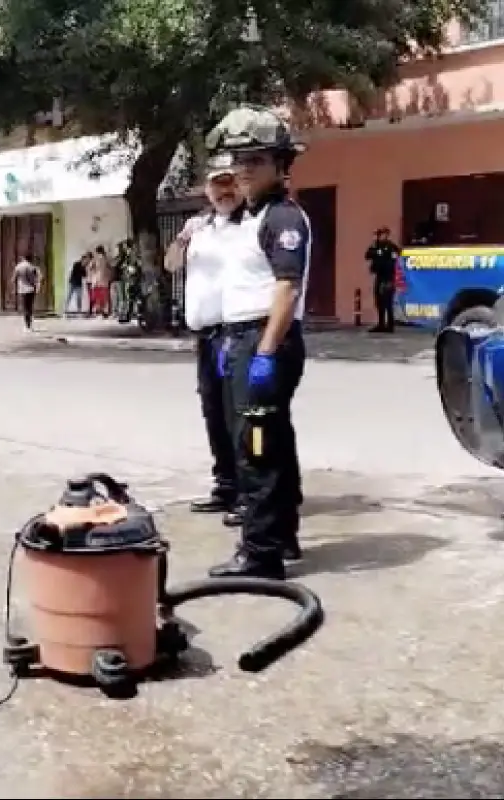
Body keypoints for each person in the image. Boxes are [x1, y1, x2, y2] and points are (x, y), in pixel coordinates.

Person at [204, 105, 309, 580]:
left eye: (256, 160)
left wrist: (264, 353)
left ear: (281, 165)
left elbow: (287, 289)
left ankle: (260, 554)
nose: (244, 169)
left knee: (258, 447)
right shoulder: (251, 216)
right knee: (274, 442)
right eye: (239, 160)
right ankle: (282, 537)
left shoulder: (283, 217)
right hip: (243, 338)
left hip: (266, 340)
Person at [164, 154, 243, 521]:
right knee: (212, 409)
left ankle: (246, 490)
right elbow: (171, 265)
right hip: (205, 334)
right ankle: (224, 485)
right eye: (217, 184)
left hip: (234, 331)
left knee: (235, 412)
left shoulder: (250, 224)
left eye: (230, 182)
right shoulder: (198, 226)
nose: (224, 191)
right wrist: (182, 239)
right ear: (206, 189)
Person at [365, 227, 401, 333]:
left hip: (388, 277)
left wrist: (381, 255)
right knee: (379, 301)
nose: (381, 236)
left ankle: (390, 325)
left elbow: (395, 256)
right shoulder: (376, 246)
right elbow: (367, 255)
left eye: (383, 234)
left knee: (388, 301)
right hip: (379, 276)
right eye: (379, 235)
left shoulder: (391, 246)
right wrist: (376, 248)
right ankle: (381, 324)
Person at [12, 251, 41, 331]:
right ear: (30, 259)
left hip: (22, 290)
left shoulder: (18, 267)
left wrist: (14, 288)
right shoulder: (32, 267)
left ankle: (27, 326)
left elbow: (14, 278)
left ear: (23, 258)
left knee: (25, 308)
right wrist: (35, 287)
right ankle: (30, 325)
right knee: (30, 307)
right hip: (31, 289)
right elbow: (36, 279)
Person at [93, 245, 113, 317]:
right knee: (105, 296)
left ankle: (102, 310)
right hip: (105, 279)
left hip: (100, 279)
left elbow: (94, 269)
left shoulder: (98, 259)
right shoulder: (106, 258)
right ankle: (105, 311)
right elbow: (110, 267)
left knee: (101, 296)